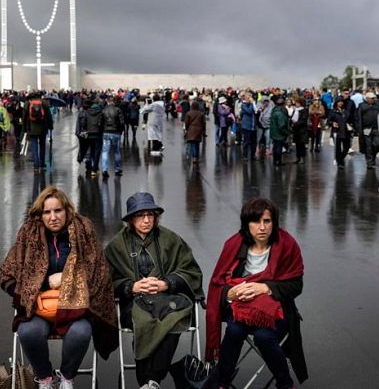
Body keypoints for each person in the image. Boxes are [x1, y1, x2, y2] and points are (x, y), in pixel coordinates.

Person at [0, 186, 118, 389]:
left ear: (67, 210)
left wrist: (67, 278)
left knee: (81, 332)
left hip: (75, 308)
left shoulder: (83, 230)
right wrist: (38, 288)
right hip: (39, 309)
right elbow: (7, 274)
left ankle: (66, 378)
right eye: (47, 212)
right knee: (28, 332)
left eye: (58, 210)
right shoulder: (29, 233)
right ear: (40, 214)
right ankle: (45, 378)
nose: (53, 217)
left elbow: (99, 273)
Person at [105, 192, 204, 389]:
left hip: (168, 300)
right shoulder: (117, 245)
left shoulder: (170, 239)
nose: (146, 220)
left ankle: (150, 381)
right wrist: (131, 286)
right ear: (131, 219)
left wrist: (166, 283)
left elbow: (191, 270)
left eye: (150, 214)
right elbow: (104, 281)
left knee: (174, 318)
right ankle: (151, 381)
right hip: (134, 304)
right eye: (140, 215)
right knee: (145, 321)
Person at [206, 197, 307, 389]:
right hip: (240, 308)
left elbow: (296, 285)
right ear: (246, 224)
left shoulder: (287, 244)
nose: (262, 227)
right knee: (234, 331)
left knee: (263, 337)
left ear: (274, 222)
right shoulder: (233, 245)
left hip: (276, 310)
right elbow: (218, 285)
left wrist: (266, 288)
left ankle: (285, 384)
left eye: (267, 221)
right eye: (255, 221)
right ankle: (221, 383)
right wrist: (230, 294)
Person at [24, 93, 54, 173]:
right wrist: (50, 126)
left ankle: (36, 166)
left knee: (34, 146)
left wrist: (25, 129)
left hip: (32, 128)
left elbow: (25, 117)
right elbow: (48, 115)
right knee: (42, 145)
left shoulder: (28, 103)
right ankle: (42, 164)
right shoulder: (44, 102)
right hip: (43, 128)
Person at [101, 97, 125, 178]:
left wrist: (102, 130)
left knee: (105, 151)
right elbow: (122, 122)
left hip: (106, 132)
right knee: (117, 151)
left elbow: (100, 122)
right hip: (116, 132)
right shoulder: (118, 110)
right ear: (113, 102)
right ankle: (117, 169)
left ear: (107, 101)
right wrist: (121, 131)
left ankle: (104, 169)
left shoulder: (103, 110)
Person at [357, 92, 379, 168]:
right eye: (371, 98)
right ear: (367, 99)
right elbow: (359, 118)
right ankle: (369, 162)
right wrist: (359, 129)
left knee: (377, 144)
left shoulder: (378, 105)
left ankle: (373, 158)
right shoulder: (362, 106)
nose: (373, 100)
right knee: (368, 146)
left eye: (374, 98)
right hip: (366, 129)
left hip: (376, 128)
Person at [84, 99, 105, 176]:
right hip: (98, 134)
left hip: (89, 133)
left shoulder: (87, 112)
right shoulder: (101, 112)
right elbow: (102, 123)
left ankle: (89, 163)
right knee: (97, 152)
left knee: (90, 150)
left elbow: (84, 123)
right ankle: (94, 169)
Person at [329, 99, 350, 169]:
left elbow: (350, 119)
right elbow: (328, 121)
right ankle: (340, 163)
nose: (340, 103)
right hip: (337, 131)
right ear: (336, 103)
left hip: (346, 131)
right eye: (339, 102)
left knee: (347, 147)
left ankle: (340, 158)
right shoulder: (333, 111)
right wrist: (332, 123)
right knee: (338, 148)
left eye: (341, 102)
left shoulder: (345, 111)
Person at [269, 97, 290, 167]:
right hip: (279, 133)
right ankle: (278, 161)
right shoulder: (280, 113)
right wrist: (285, 132)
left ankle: (275, 160)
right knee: (279, 147)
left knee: (275, 146)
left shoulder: (273, 111)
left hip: (273, 132)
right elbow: (281, 125)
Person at [184, 100, 205, 165]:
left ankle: (194, 157)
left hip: (191, 129)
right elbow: (203, 123)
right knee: (197, 144)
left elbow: (186, 123)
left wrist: (186, 129)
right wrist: (203, 131)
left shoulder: (188, 113)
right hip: (199, 129)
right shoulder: (201, 113)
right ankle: (196, 157)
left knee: (193, 144)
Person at [240, 94, 258, 161]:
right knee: (246, 142)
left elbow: (256, 111)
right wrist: (252, 103)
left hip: (253, 126)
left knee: (254, 142)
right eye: (248, 98)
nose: (249, 99)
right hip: (247, 126)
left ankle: (253, 155)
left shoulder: (253, 105)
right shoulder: (244, 105)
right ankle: (245, 155)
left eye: (250, 98)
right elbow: (249, 111)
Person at [291, 98, 308, 164]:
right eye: (296, 102)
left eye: (297, 103)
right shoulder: (295, 110)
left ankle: (302, 158)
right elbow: (292, 117)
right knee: (297, 145)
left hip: (302, 130)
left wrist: (295, 124)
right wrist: (291, 123)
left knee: (302, 145)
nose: (296, 104)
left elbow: (303, 120)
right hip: (296, 130)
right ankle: (298, 158)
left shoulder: (304, 110)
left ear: (301, 103)